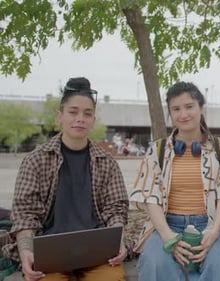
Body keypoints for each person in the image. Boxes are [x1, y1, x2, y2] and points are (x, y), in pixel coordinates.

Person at [1, 77, 129, 281]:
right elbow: (25, 215)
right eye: (73, 112)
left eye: (87, 114)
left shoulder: (107, 162)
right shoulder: (35, 160)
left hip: (96, 253)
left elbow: (116, 210)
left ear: (93, 120)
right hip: (49, 255)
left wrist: (118, 239)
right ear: (60, 116)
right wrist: (26, 251)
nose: (80, 118)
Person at [129, 81, 220, 281]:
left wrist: (214, 233)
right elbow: (151, 197)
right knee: (155, 264)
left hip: (209, 224)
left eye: (189, 107)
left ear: (201, 108)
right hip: (166, 224)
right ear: (170, 114)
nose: (183, 114)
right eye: (176, 109)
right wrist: (167, 235)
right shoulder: (157, 150)